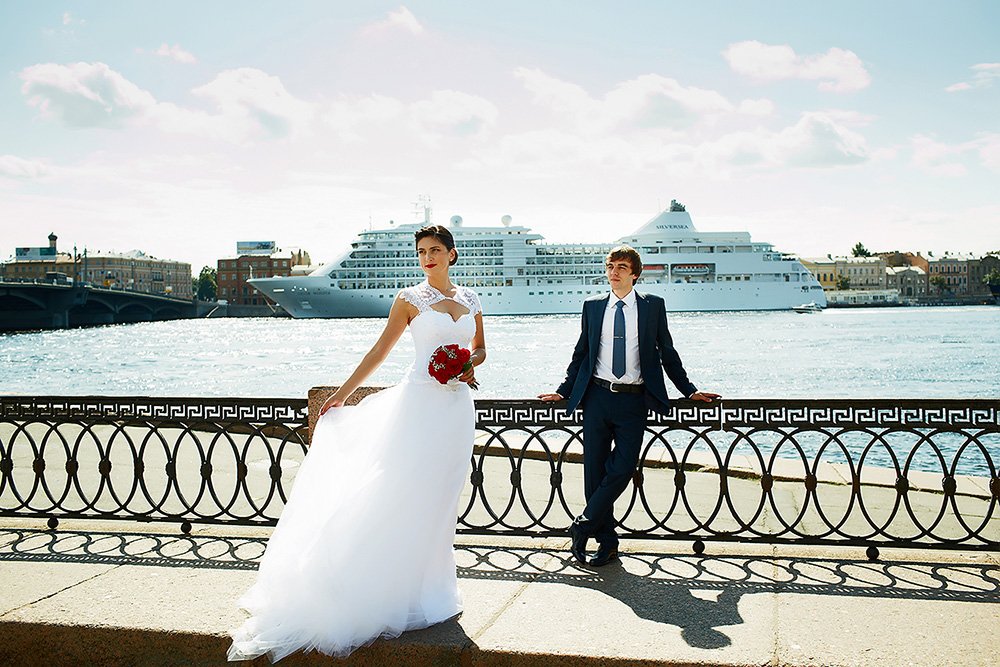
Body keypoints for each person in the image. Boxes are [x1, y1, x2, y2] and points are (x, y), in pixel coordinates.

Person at [229, 225, 486, 662]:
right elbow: (379, 352)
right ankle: (381, 588)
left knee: (442, 499)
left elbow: (480, 349)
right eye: (421, 252)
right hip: (419, 407)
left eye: (435, 250)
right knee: (401, 493)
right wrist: (342, 395)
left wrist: (466, 364)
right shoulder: (409, 299)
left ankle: (431, 590)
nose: (427, 258)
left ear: (451, 254)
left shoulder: (471, 299)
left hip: (457, 409)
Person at [538, 245, 718, 567]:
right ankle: (607, 544)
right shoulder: (593, 306)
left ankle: (583, 524)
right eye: (610, 266)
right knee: (594, 474)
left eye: (621, 267)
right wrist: (562, 391)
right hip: (596, 398)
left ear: (635, 274)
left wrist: (689, 390)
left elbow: (667, 352)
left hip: (634, 400)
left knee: (623, 468)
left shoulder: (652, 306)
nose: (614, 272)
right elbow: (581, 354)